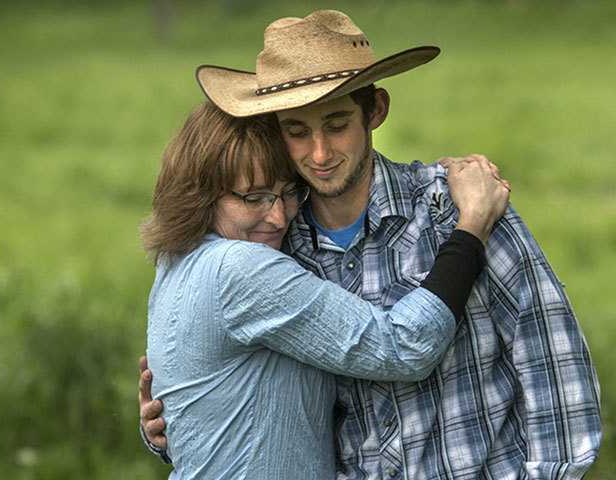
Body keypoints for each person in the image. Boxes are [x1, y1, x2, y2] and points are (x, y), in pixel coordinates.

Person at [140, 9, 602, 479]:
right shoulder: (276, 247)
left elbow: (554, 365)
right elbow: (253, 400)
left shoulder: (457, 208)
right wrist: (173, 421)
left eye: (337, 124)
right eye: (297, 131)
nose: (319, 154)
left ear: (375, 110)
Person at [142, 99, 507, 479]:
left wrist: (162, 426)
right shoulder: (240, 268)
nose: (279, 216)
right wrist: (472, 225)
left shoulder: (176, 263)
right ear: (201, 193)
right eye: (254, 198)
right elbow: (402, 346)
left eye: (288, 193)